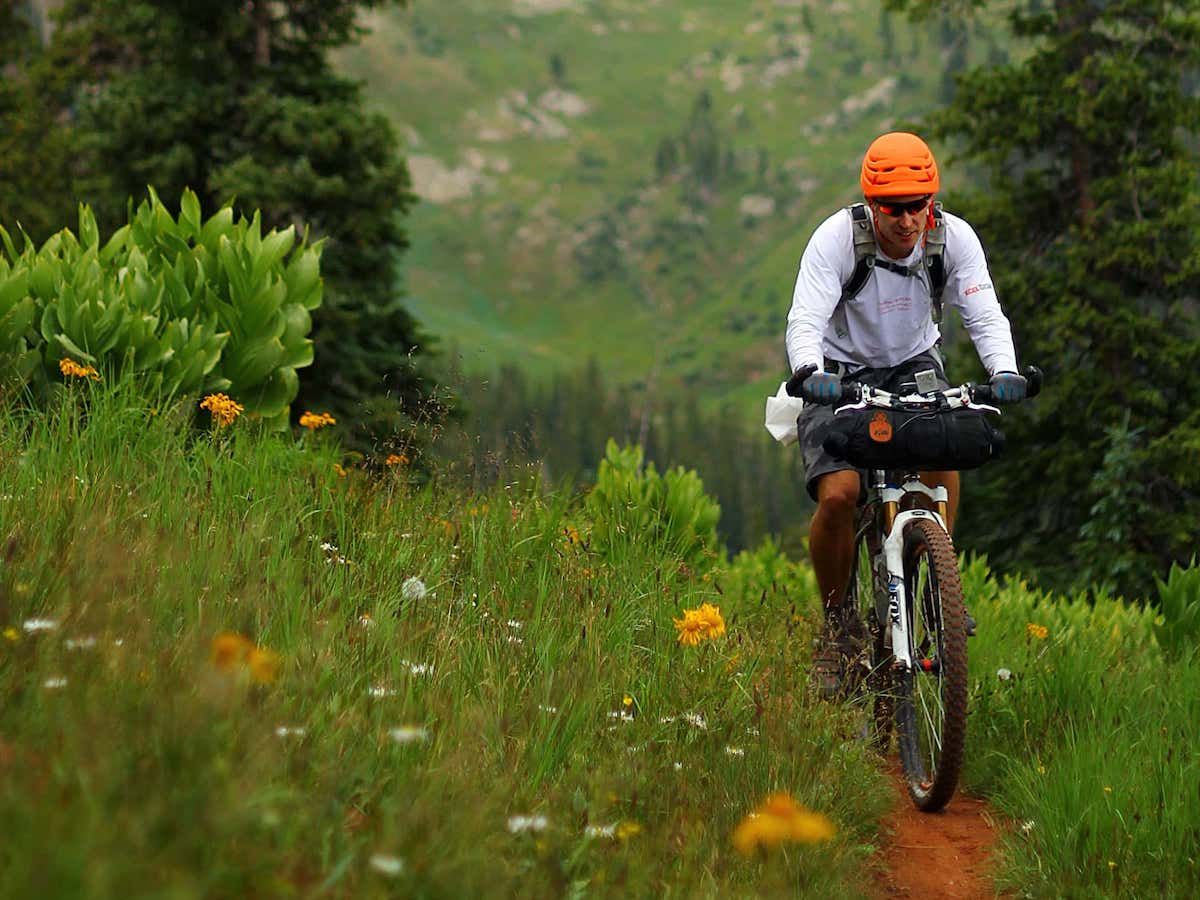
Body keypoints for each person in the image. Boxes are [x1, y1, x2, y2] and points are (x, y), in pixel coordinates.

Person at [784, 131, 1026, 698]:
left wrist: (1006, 372)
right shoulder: (837, 240)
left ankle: (940, 586)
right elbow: (805, 319)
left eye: (919, 204)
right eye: (894, 208)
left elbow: (983, 311)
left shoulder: (952, 237)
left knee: (947, 448)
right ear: (872, 204)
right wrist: (808, 371)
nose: (908, 219)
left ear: (931, 201)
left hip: (914, 359)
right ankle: (838, 623)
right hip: (836, 370)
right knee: (841, 494)